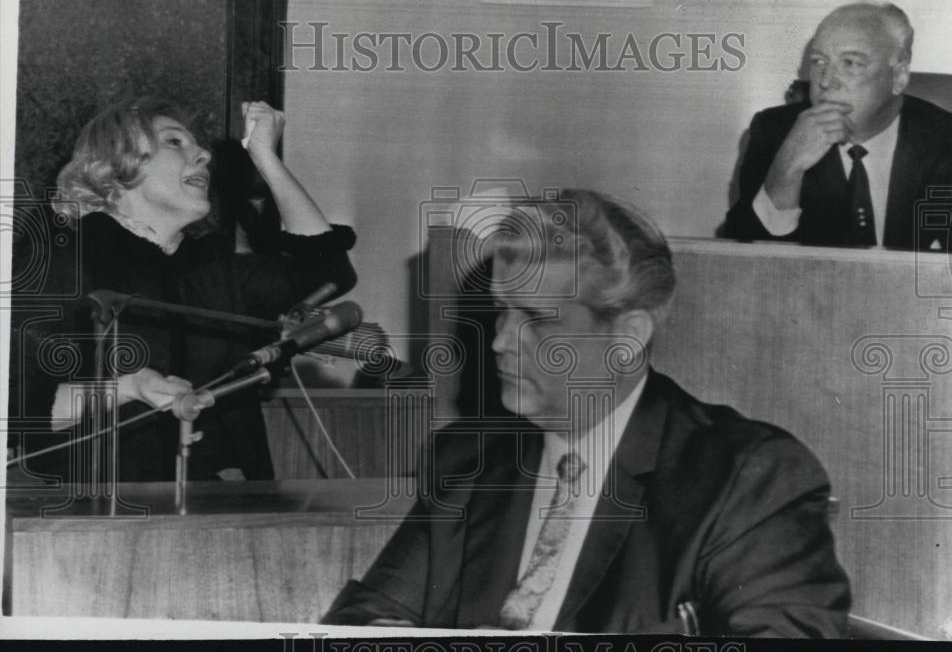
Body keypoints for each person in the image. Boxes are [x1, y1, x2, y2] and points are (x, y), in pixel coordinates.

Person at [323, 189, 850, 636]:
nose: (502, 341)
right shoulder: (469, 459)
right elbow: (370, 617)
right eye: (501, 312)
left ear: (627, 338)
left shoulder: (746, 476)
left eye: (536, 320)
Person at [8, 97, 356, 482]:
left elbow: (328, 270)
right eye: (175, 142)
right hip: (102, 512)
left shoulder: (209, 268)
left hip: (222, 509)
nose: (204, 154)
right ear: (116, 164)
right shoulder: (64, 259)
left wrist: (266, 158)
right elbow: (16, 408)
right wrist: (129, 387)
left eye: (198, 145)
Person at [723, 2, 952, 250]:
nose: (826, 82)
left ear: (898, 77)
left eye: (851, 63)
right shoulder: (775, 133)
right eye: (819, 62)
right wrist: (788, 169)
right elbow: (745, 262)